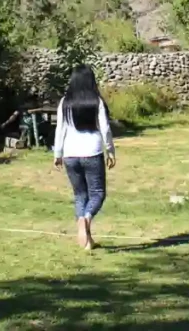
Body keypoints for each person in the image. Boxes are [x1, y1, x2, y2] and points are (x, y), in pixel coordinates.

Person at [53, 65, 116, 251]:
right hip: (92, 152)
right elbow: (105, 129)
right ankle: (86, 219)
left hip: (70, 154)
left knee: (80, 195)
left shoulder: (64, 102)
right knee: (97, 193)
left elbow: (60, 129)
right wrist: (110, 151)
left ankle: (87, 241)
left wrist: (58, 153)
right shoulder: (96, 100)